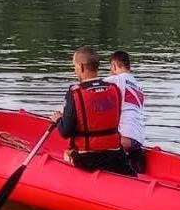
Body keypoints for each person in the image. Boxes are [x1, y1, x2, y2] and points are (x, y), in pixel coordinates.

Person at [52, 46, 133, 175]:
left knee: (66, 154)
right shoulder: (114, 90)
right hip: (116, 157)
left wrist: (58, 119)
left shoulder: (75, 93)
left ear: (81, 67)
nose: (74, 70)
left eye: (75, 66)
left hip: (87, 159)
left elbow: (65, 132)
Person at [105, 49, 146, 171]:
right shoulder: (139, 87)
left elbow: (92, 84)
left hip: (126, 138)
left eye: (111, 68)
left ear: (114, 65)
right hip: (139, 139)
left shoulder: (118, 79)